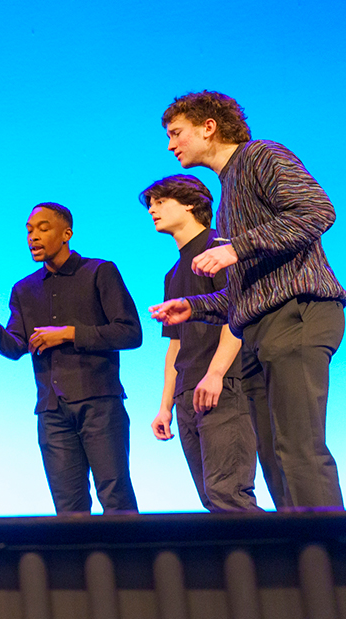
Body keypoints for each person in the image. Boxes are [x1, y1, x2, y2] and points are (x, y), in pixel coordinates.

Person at [150, 90, 346, 510]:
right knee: (274, 457)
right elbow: (248, 291)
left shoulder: (260, 156)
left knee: (298, 448)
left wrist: (237, 248)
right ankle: (300, 547)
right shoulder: (228, 192)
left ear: (209, 127)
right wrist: (195, 306)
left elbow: (317, 211)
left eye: (176, 133)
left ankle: (329, 548)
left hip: (297, 314)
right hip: (259, 331)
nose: (170, 145)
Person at [0, 203, 141, 515]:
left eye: (43, 228)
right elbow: (17, 347)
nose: (33, 236)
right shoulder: (24, 289)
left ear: (66, 234)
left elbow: (130, 333)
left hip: (99, 404)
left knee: (115, 496)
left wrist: (69, 334)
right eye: (29, 230)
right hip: (52, 411)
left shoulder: (99, 272)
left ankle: (127, 550)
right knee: (68, 508)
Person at [141, 175, 260, 511]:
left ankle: (282, 546)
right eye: (150, 204)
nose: (152, 210)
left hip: (224, 386)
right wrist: (166, 406)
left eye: (160, 202)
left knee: (229, 494)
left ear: (191, 203)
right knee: (212, 499)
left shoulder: (220, 250)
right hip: (188, 395)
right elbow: (175, 345)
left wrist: (216, 374)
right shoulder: (173, 273)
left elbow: (238, 312)